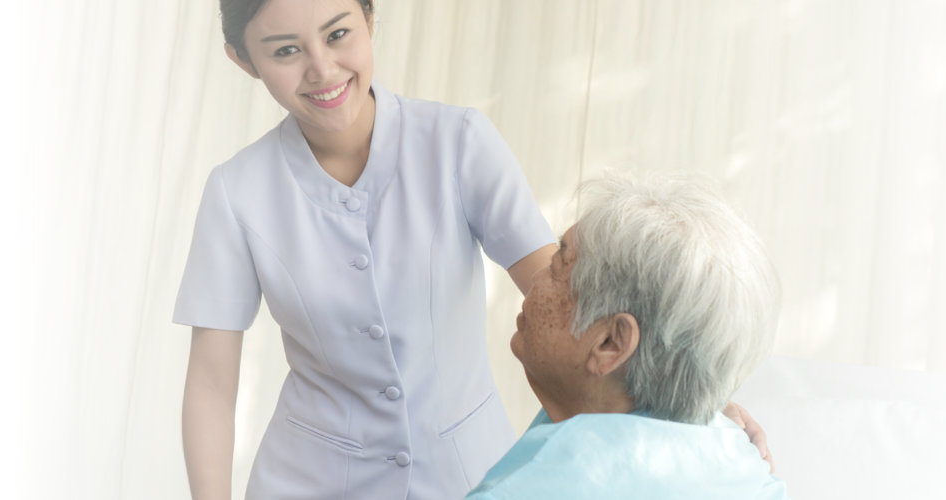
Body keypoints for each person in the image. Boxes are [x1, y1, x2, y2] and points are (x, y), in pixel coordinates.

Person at [174, 0, 767, 498]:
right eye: (285, 50)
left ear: (370, 19)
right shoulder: (236, 192)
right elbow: (211, 382)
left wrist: (699, 407)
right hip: (310, 478)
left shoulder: (456, 142)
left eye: (338, 34)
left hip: (466, 469)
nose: (322, 69)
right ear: (244, 61)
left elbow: (570, 295)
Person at [466, 177, 788, 499]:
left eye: (557, 266)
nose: (535, 277)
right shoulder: (746, 467)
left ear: (611, 344)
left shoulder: (531, 490)